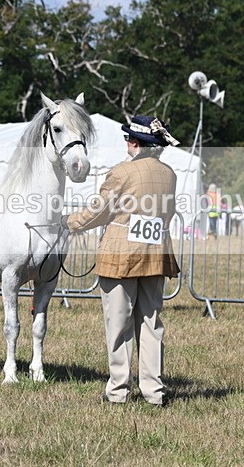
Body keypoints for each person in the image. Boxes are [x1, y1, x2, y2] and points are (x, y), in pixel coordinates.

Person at [61, 115, 180, 406]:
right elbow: (169, 212)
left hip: (120, 256)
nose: (126, 143)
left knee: (119, 323)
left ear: (136, 143)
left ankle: (118, 390)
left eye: (128, 138)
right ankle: (154, 392)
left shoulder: (121, 173)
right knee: (151, 323)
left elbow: (98, 212)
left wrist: (68, 221)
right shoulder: (169, 174)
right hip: (155, 253)